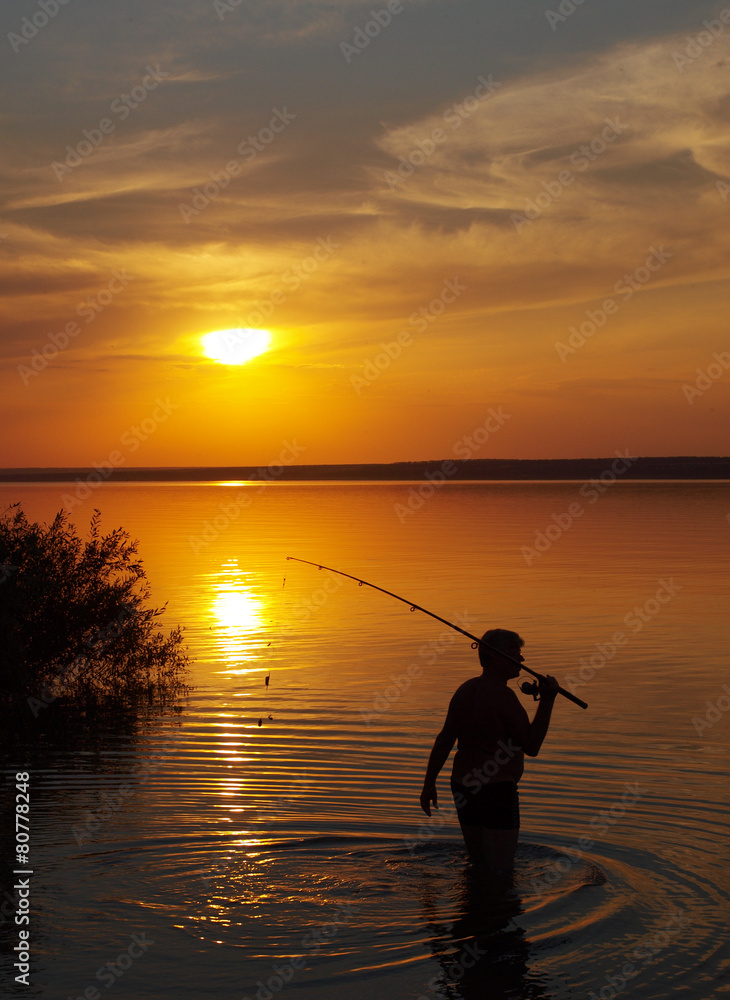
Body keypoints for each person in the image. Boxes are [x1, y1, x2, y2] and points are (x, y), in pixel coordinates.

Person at [419, 628, 559, 871]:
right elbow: (532, 746)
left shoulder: (465, 690)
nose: (522, 661)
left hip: (463, 787)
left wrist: (429, 783)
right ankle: (496, 907)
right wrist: (547, 701)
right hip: (497, 791)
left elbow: (445, 740)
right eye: (516, 655)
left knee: (478, 865)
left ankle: (472, 905)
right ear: (497, 657)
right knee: (501, 872)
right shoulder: (503, 697)